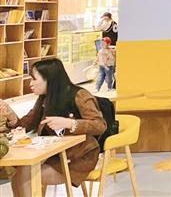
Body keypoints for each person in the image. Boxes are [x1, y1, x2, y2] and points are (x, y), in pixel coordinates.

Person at [0, 58, 106, 196]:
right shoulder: (44, 98)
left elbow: (99, 125)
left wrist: (69, 123)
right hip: (54, 155)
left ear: (49, 79)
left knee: (24, 177)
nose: (30, 83)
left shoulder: (79, 95)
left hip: (79, 157)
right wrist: (10, 113)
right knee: (21, 174)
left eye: (34, 79)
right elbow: (26, 125)